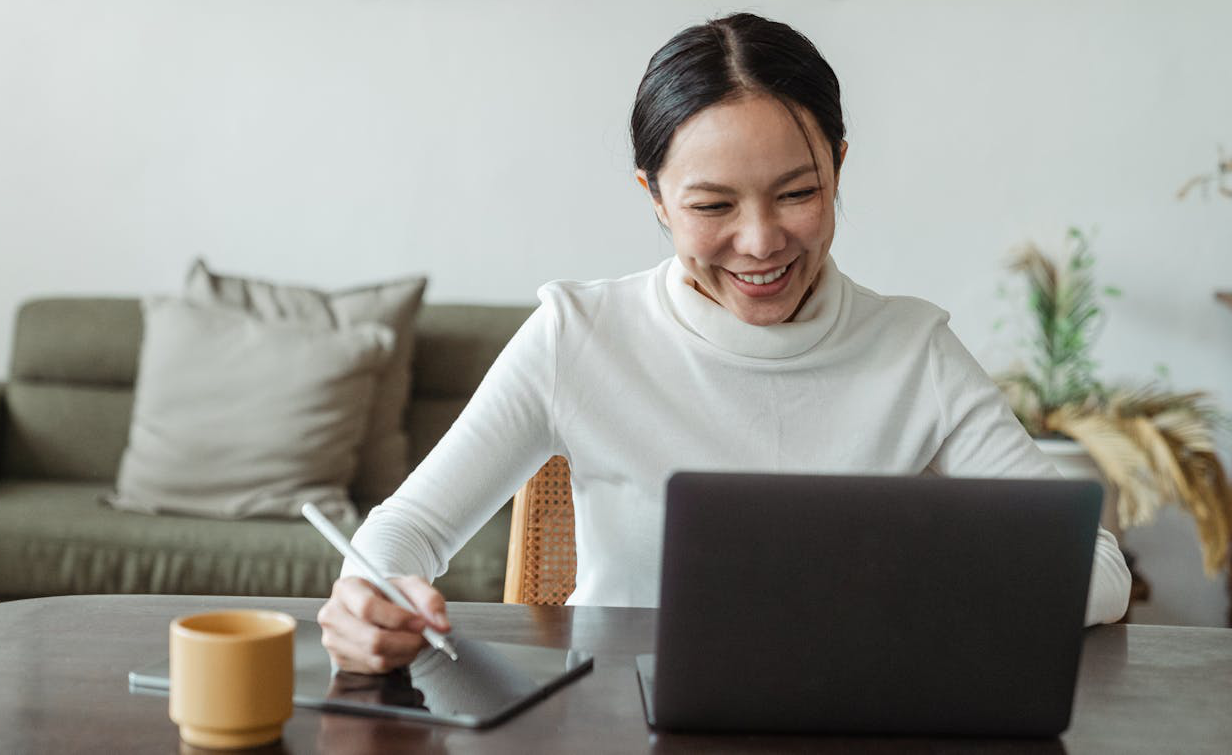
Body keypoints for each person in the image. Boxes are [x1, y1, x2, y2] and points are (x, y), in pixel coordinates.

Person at [317, 12, 1131, 673]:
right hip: (613, 718)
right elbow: (405, 529)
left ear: (838, 169)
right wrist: (369, 598)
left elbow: (1096, 567)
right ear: (655, 197)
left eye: (798, 192)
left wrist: (916, 586)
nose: (760, 241)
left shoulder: (912, 350)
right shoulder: (578, 336)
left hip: (846, 716)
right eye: (711, 206)